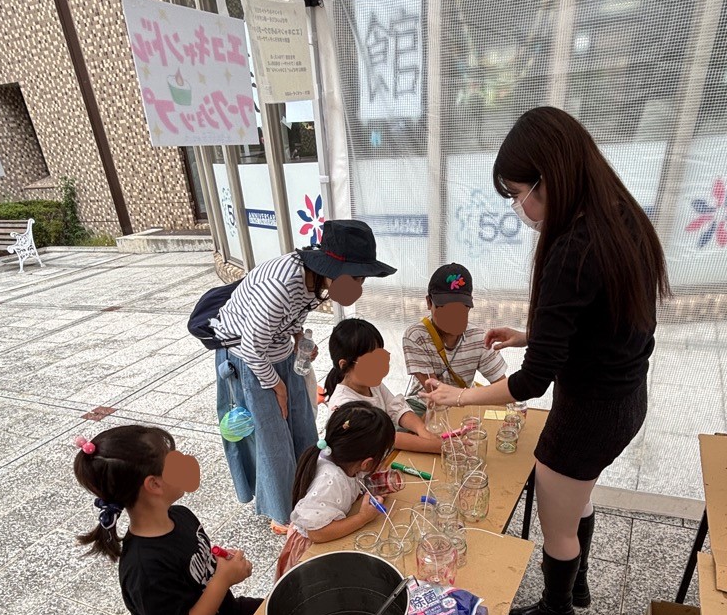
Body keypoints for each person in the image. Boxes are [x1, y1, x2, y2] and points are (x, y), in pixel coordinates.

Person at [424, 106, 669, 615]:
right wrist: (529, 334)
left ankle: (557, 609)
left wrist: (457, 398)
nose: (519, 206)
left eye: (518, 192)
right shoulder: (620, 216)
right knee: (577, 493)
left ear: (550, 176)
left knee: (557, 511)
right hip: (626, 401)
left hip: (589, 412)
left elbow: (531, 382)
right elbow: (603, 318)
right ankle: (575, 582)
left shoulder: (571, 249)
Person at [212, 220, 396, 534]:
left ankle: (311, 495)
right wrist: (278, 387)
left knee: (303, 429)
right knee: (274, 440)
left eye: (361, 279)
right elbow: (252, 344)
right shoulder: (283, 283)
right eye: (355, 278)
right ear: (331, 268)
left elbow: (293, 317)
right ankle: (286, 515)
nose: (358, 287)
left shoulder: (317, 283)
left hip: (280, 350)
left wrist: (298, 342)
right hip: (249, 357)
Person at [73, 425, 261, 615]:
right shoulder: (144, 567)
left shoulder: (181, 515)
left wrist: (221, 562)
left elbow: (197, 569)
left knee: (284, 610)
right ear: (154, 484)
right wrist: (223, 578)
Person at [276, 403, 396, 577]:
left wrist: (370, 484)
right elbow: (317, 533)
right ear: (366, 463)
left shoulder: (340, 457)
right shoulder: (330, 481)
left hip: (325, 533)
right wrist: (363, 518)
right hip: (313, 552)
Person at [325, 319, 443, 453]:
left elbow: (396, 407)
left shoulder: (370, 383)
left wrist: (422, 430)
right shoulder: (343, 405)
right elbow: (386, 438)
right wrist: (439, 446)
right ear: (344, 364)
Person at [403, 263, 507, 413]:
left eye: (461, 308)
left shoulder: (479, 338)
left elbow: (503, 388)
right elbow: (434, 392)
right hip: (425, 404)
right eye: (445, 307)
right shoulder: (416, 336)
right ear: (428, 302)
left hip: (464, 404)